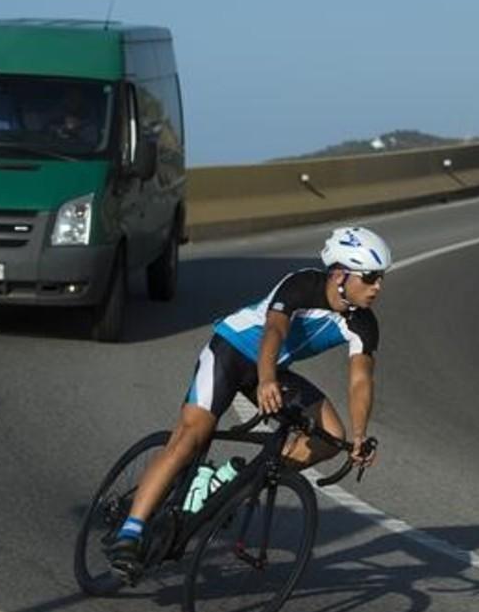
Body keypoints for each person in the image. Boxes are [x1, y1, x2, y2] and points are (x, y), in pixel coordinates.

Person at [106, 226, 391, 580]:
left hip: (271, 369)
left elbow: (361, 378)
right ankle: (129, 533)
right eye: (370, 277)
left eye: (380, 278)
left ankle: (233, 486)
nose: (378, 286)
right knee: (192, 435)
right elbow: (274, 331)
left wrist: (361, 436)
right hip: (231, 352)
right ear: (339, 274)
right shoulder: (302, 285)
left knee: (330, 435)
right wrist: (268, 379)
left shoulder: (364, 324)